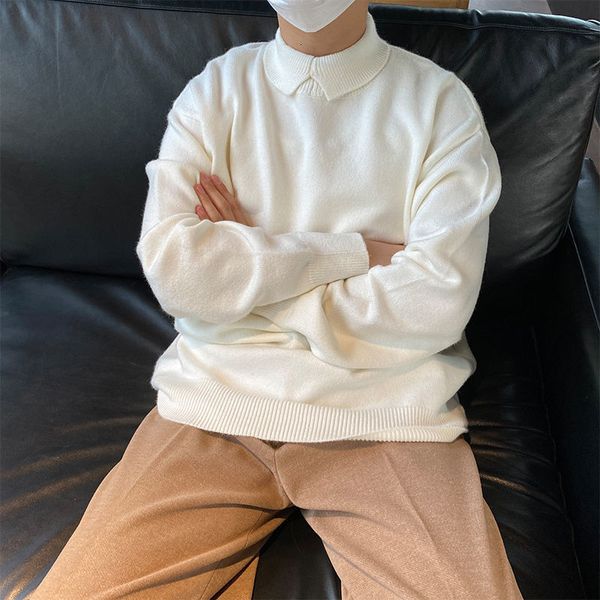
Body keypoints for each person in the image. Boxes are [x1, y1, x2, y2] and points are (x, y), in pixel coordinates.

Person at [30, 1, 525, 598]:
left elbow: (433, 302)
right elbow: (177, 274)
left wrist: (249, 272)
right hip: (213, 404)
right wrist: (354, 253)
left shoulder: (440, 104)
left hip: (385, 414)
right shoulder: (216, 90)